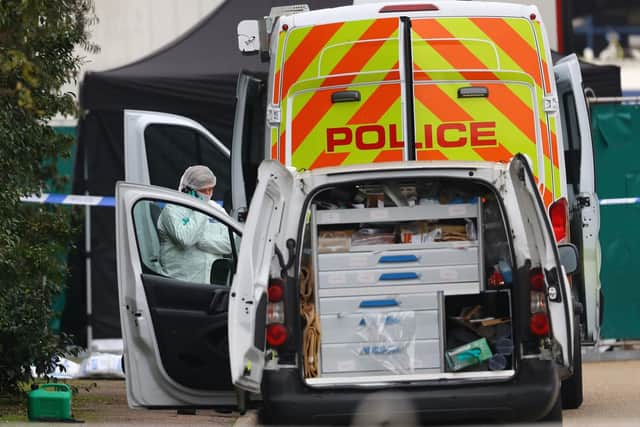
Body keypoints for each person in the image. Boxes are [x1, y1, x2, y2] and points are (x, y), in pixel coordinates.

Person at [157, 165, 232, 283]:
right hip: (179, 283)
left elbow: (231, 243)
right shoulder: (172, 210)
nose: (208, 193)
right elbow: (186, 239)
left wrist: (202, 241)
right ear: (189, 189)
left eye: (211, 189)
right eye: (203, 190)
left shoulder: (217, 209)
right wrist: (201, 208)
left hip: (211, 284)